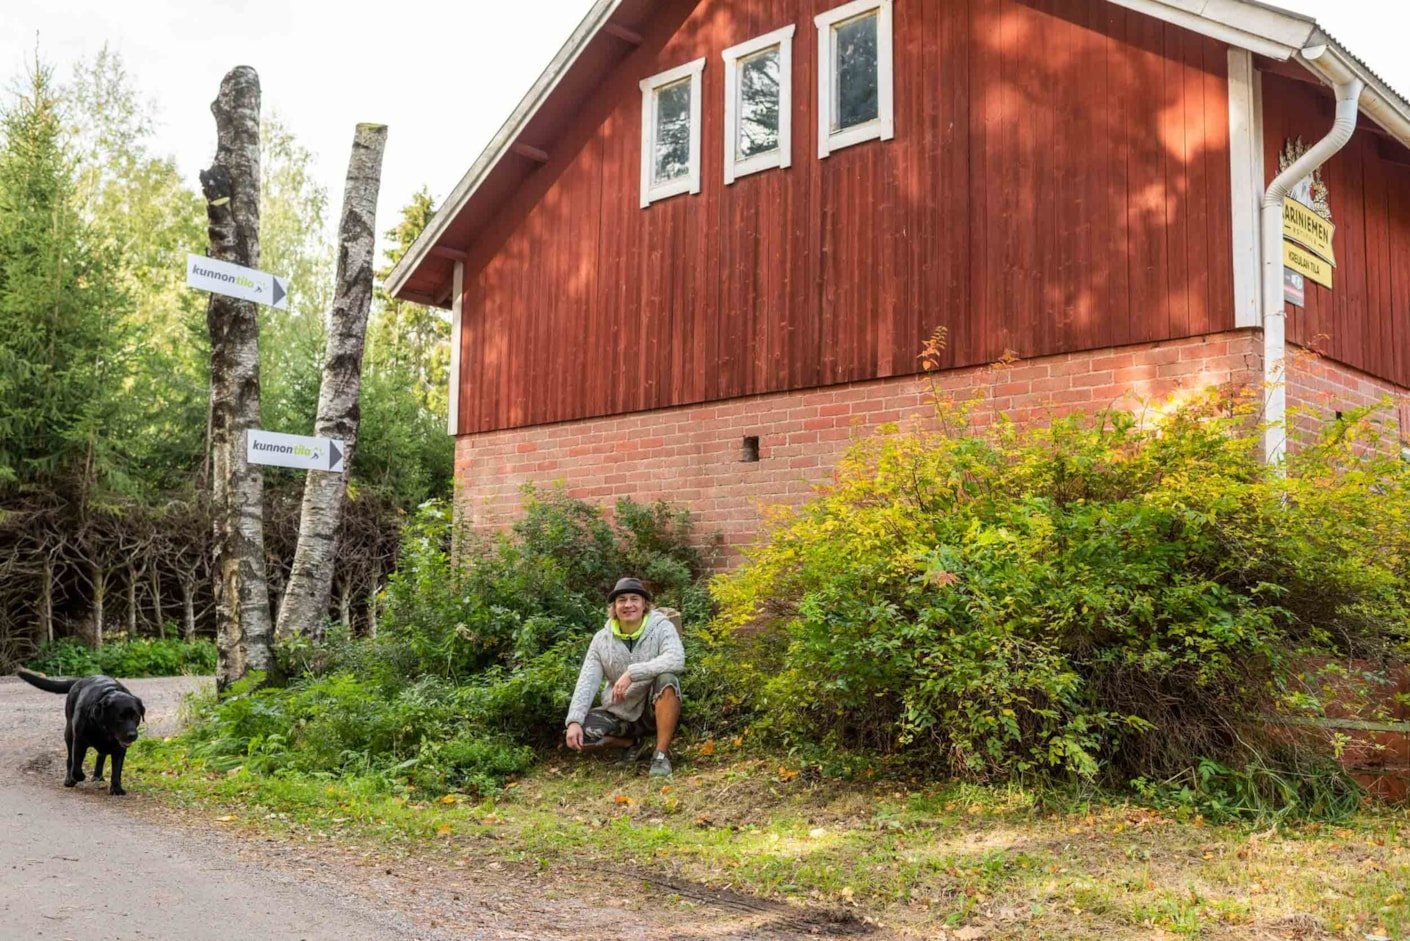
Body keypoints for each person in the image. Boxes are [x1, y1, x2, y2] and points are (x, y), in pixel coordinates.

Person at [564, 577, 683, 778]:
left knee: (668, 680)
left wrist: (632, 673)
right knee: (580, 735)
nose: (628, 605)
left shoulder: (661, 627)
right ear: (614, 606)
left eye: (634, 599)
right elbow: (587, 681)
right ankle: (633, 744)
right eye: (622, 600)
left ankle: (661, 754)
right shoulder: (601, 639)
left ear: (644, 604)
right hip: (619, 712)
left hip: (652, 709)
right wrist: (574, 720)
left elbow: (676, 659)